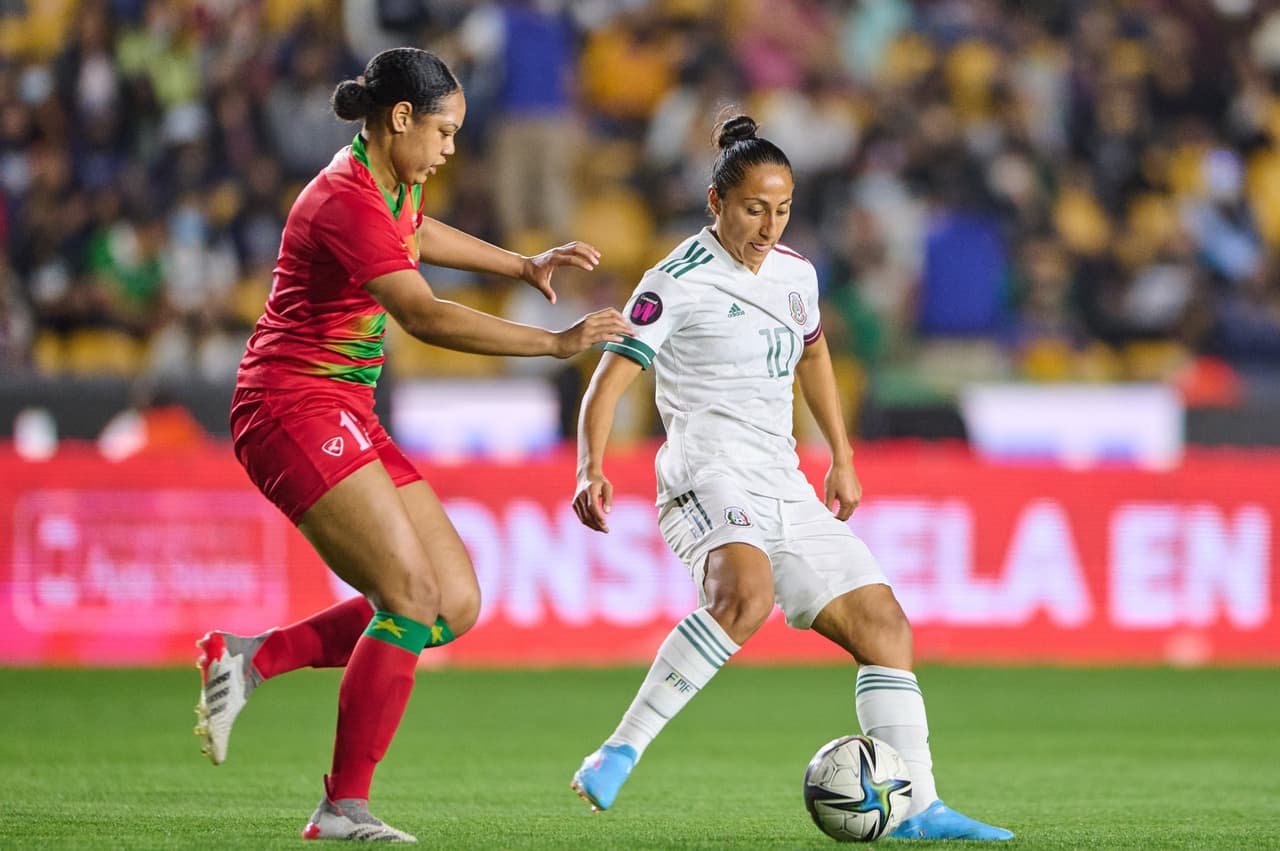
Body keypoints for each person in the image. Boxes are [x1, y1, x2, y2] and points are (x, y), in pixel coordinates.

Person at [192, 47, 630, 843]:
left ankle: (251, 658)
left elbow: (416, 232)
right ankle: (342, 807)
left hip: (344, 405)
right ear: (400, 119)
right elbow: (423, 315)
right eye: (444, 131)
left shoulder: (392, 179)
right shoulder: (344, 200)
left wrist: (520, 264)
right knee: (408, 596)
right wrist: (554, 343)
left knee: (452, 603)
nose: (450, 148)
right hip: (288, 406)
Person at [568, 114, 1014, 841]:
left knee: (886, 628)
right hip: (705, 472)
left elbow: (814, 355)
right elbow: (608, 381)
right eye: (754, 208)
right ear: (716, 202)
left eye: (782, 209)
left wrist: (841, 452)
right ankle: (617, 750)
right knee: (744, 596)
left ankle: (920, 807)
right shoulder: (674, 281)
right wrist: (591, 466)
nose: (769, 225)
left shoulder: (797, 274)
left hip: (782, 478)